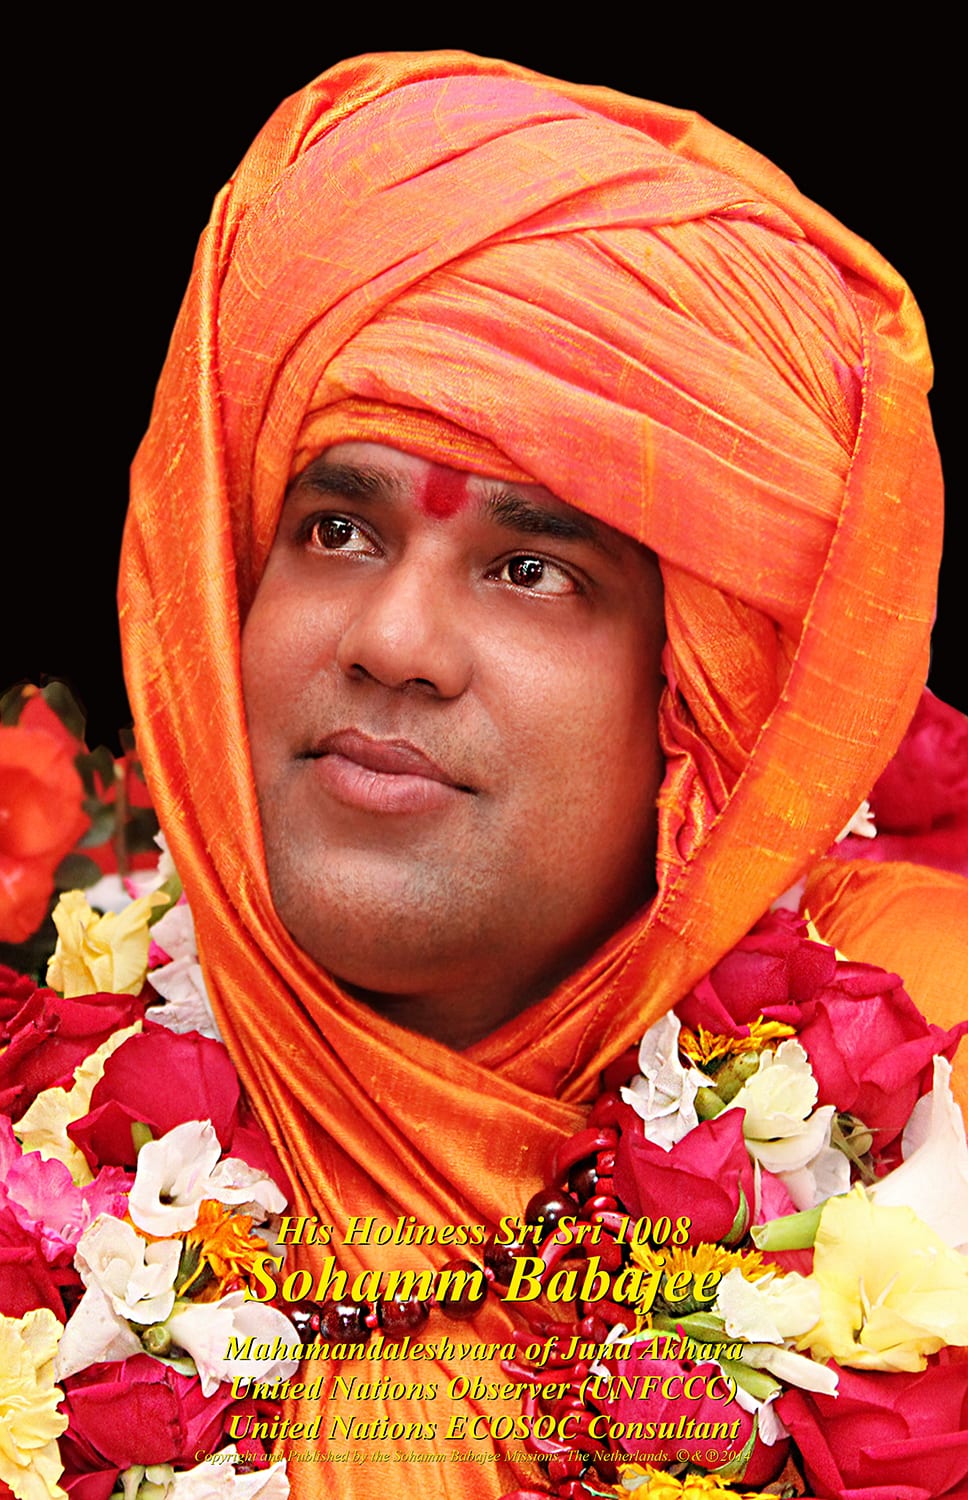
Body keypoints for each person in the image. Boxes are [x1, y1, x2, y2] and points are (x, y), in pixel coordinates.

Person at [121, 51, 967, 1498]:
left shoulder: (931, 1103)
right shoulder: (47, 1123)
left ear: (704, 708)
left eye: (532, 568)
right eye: (337, 530)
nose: (393, 642)